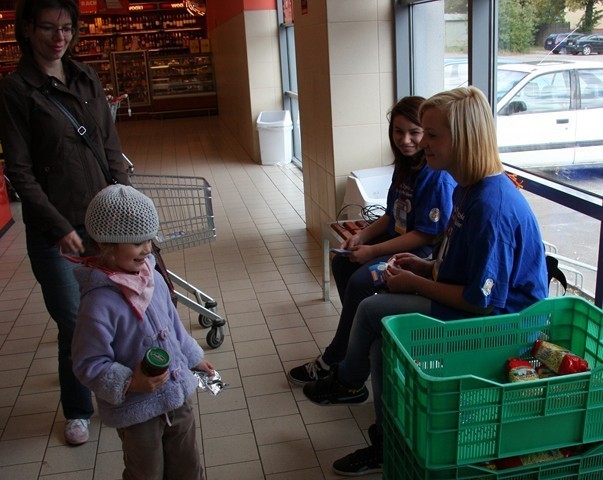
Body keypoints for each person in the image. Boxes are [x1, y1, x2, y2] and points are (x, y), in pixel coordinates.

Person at [303, 86, 549, 476]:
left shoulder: (492, 206)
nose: (421, 144)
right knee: (384, 341)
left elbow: (483, 300)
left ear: (463, 139)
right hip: (479, 307)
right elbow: (460, 260)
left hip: (501, 326)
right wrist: (426, 267)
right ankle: (390, 438)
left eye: (432, 136)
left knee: (372, 309)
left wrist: (416, 284)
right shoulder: (470, 188)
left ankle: (351, 388)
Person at [0, 0, 128, 444]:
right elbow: (20, 171)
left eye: (68, 28)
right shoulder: (16, 90)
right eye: (49, 28)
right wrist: (59, 227)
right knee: (74, 321)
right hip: (55, 231)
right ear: (27, 30)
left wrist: (124, 195)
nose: (60, 37)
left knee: (117, 308)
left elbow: (109, 143)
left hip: (105, 222)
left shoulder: (85, 76)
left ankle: (123, 385)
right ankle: (78, 408)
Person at [288, 97, 456, 385]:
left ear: (427, 134)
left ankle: (337, 356)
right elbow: (392, 216)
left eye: (414, 132)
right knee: (342, 262)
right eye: (398, 132)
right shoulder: (405, 167)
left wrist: (373, 251)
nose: (405, 140)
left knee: (361, 280)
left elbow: (426, 234)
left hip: (420, 253)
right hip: (397, 242)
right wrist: (362, 236)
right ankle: (358, 339)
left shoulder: (435, 176)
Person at [71, 184, 213, 480]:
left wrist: (193, 357)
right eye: (136, 242)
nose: (147, 248)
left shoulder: (153, 279)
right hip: (137, 413)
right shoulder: (98, 303)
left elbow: (173, 327)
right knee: (146, 473)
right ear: (107, 245)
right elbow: (87, 363)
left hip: (177, 397)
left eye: (149, 239)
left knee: (188, 467)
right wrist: (129, 382)